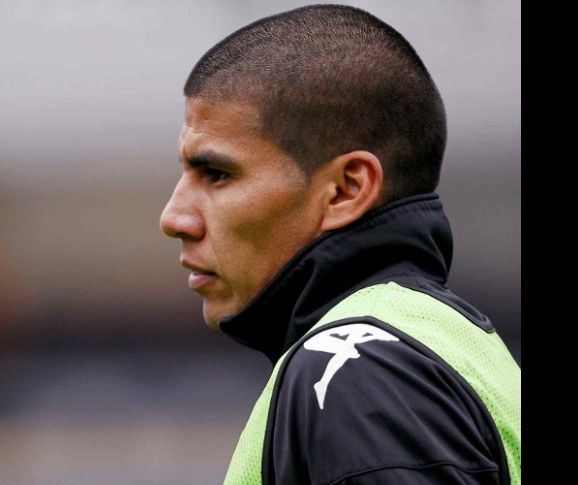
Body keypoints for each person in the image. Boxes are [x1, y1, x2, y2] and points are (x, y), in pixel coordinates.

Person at [159, 4, 520, 485]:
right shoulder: (455, 342)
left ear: (346, 190)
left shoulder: (356, 366)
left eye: (217, 173)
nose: (174, 218)